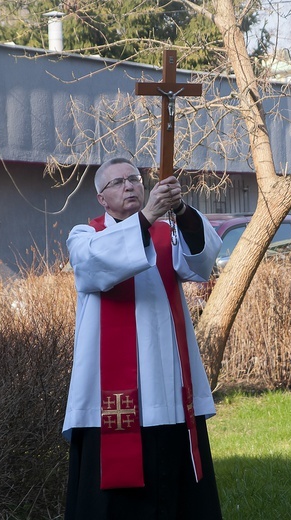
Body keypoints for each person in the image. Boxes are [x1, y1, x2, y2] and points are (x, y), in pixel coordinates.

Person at [63, 157, 224, 520]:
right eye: (118, 183)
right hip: (109, 399)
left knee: (175, 493)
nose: (130, 186)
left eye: (135, 179)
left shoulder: (166, 235)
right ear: (102, 199)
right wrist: (149, 216)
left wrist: (180, 209)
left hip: (167, 390)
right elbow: (96, 266)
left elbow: (202, 262)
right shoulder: (85, 235)